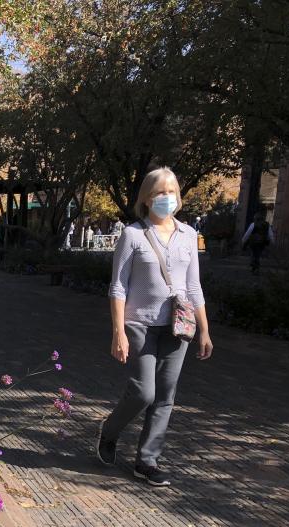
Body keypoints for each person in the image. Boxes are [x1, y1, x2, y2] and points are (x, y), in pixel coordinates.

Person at [96, 167, 213, 487]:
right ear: (146, 199)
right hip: (139, 324)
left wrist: (204, 329)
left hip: (178, 327)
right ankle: (108, 432)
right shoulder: (133, 235)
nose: (167, 198)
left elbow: (194, 287)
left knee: (165, 396)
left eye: (172, 191)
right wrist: (117, 331)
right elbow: (117, 287)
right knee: (143, 392)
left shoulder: (188, 235)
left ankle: (147, 460)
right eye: (160, 193)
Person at [241, 209, 274, 275]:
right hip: (262, 243)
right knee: (258, 254)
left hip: (253, 242)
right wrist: (272, 241)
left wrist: (243, 240)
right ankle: (255, 267)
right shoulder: (267, 225)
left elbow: (247, 233)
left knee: (254, 253)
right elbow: (270, 234)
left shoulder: (253, 224)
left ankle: (254, 267)